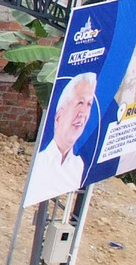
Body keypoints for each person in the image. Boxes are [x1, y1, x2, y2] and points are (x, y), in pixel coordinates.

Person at [30, 72, 98, 200]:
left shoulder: (78, 165)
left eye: (89, 104)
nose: (83, 113)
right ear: (59, 116)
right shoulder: (40, 161)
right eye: (80, 103)